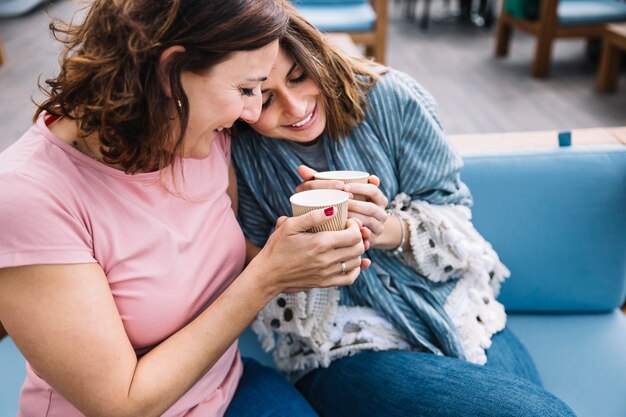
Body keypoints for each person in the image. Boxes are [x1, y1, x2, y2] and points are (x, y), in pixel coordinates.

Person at [0, 1, 369, 416]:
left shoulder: (200, 137)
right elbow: (123, 405)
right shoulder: (28, 195)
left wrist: (303, 261)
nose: (251, 112)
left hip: (226, 388)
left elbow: (205, 261)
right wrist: (268, 276)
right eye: (247, 89)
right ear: (170, 73)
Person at [231, 5, 577, 417]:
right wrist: (301, 257)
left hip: (455, 313)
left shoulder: (392, 98)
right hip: (344, 347)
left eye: (298, 77)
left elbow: (454, 214)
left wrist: (387, 229)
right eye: (266, 99)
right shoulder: (242, 154)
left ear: (315, 56)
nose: (295, 107)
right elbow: (256, 274)